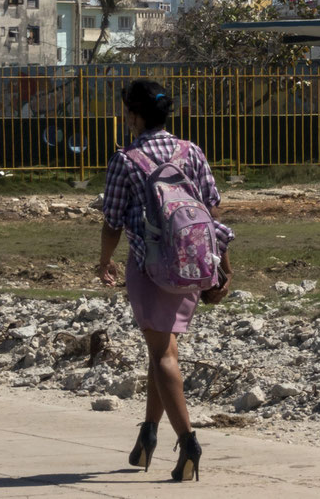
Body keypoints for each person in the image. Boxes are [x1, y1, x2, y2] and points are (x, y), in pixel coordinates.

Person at [97, 79, 231, 482]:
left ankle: (189, 442)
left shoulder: (126, 159)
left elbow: (112, 220)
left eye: (126, 111)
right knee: (163, 349)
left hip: (149, 267)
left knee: (162, 356)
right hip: (190, 266)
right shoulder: (190, 152)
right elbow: (210, 210)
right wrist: (221, 266)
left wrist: (104, 261)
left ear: (134, 114)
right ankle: (148, 436)